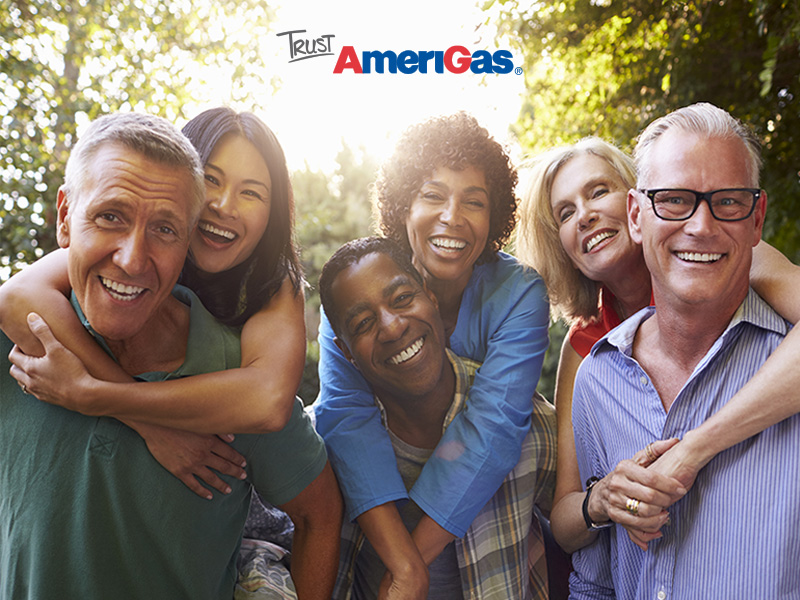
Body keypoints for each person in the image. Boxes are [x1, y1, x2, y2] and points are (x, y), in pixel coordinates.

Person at [0, 112, 342, 599]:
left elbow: (273, 414)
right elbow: (15, 297)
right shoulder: (35, 333)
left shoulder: (260, 312)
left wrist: (94, 395)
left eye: (164, 228)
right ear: (65, 217)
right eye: (111, 216)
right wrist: (142, 419)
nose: (132, 258)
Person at [515, 129, 800, 553]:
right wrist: (604, 498)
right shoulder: (585, 349)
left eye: (598, 191)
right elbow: (564, 519)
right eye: (565, 213)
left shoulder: (723, 260)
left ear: (639, 205)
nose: (585, 215)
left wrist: (693, 449)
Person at [312, 113, 552, 594]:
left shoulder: (519, 292)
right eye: (433, 195)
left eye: (474, 201)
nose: (453, 217)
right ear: (403, 206)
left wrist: (408, 568)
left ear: (496, 214)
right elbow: (346, 419)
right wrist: (401, 562)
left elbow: (493, 425)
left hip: (480, 519)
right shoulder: (352, 294)